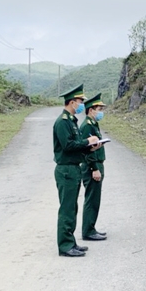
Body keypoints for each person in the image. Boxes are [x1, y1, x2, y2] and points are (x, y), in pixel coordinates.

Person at [53, 85, 100, 257]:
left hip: (73, 169)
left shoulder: (71, 122)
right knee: (67, 209)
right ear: (72, 102)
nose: (81, 105)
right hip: (66, 170)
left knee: (73, 207)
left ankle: (71, 242)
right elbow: (68, 146)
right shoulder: (63, 122)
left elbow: (77, 146)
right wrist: (88, 141)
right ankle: (65, 246)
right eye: (80, 102)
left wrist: (91, 147)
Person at [80, 93, 108, 241]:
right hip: (93, 166)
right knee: (91, 199)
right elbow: (87, 151)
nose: (101, 112)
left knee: (95, 199)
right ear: (91, 110)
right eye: (99, 109)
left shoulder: (93, 124)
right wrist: (94, 168)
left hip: (97, 163)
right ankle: (88, 231)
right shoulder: (86, 126)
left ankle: (91, 228)